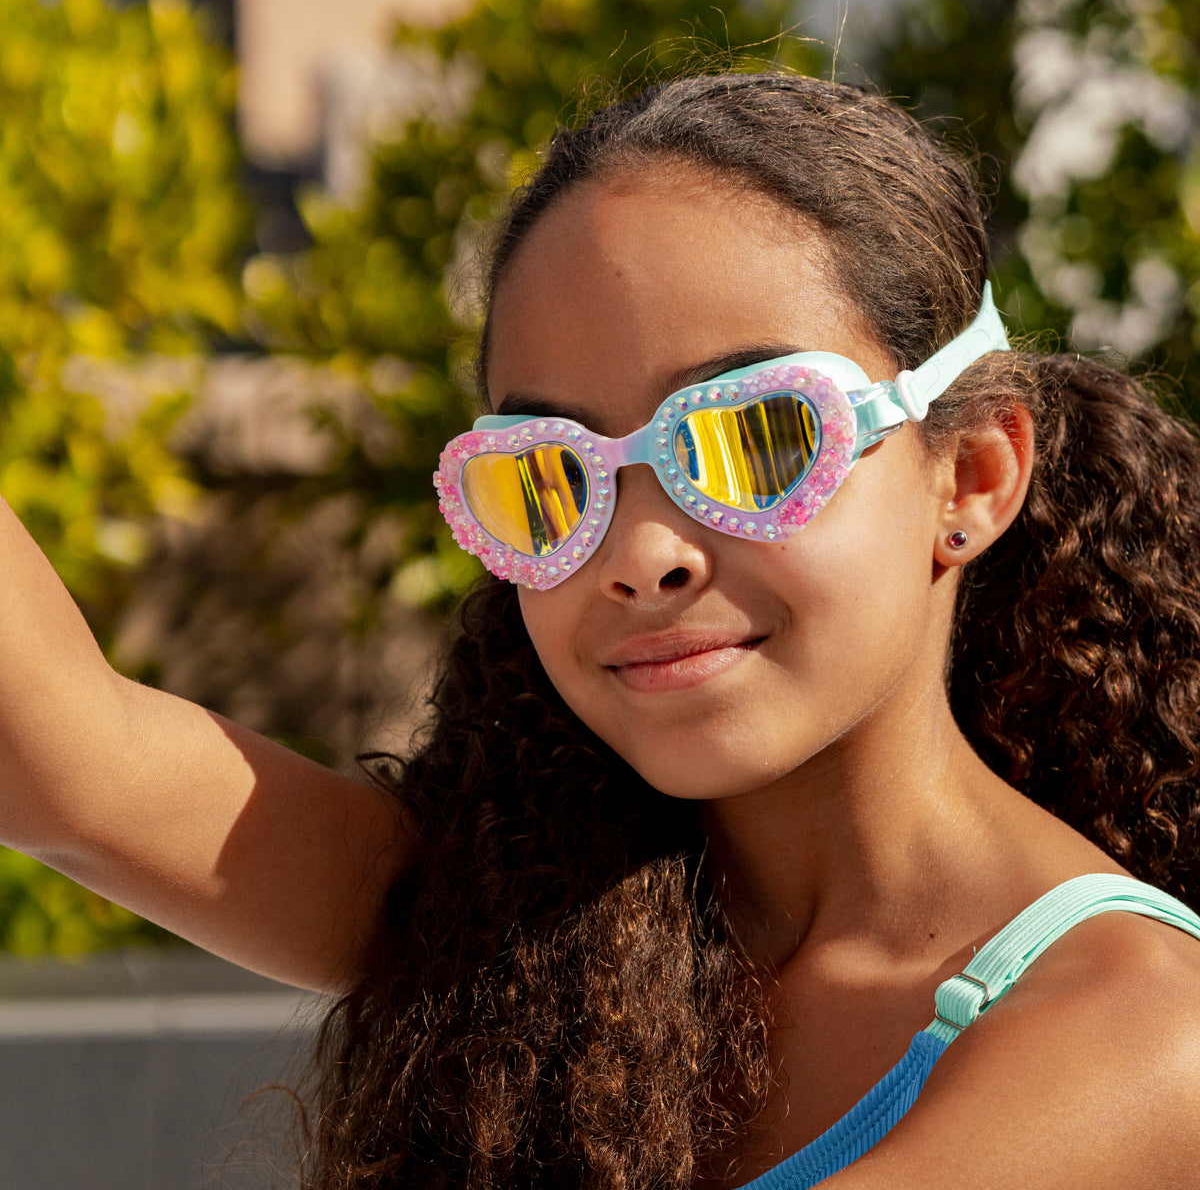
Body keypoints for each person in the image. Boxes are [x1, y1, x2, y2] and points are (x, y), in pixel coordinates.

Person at [3, 71, 1200, 1189]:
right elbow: (62, 763)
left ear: (974, 475)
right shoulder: (527, 926)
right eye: (550, 476)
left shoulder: (1140, 1035)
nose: (639, 556)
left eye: (758, 440)